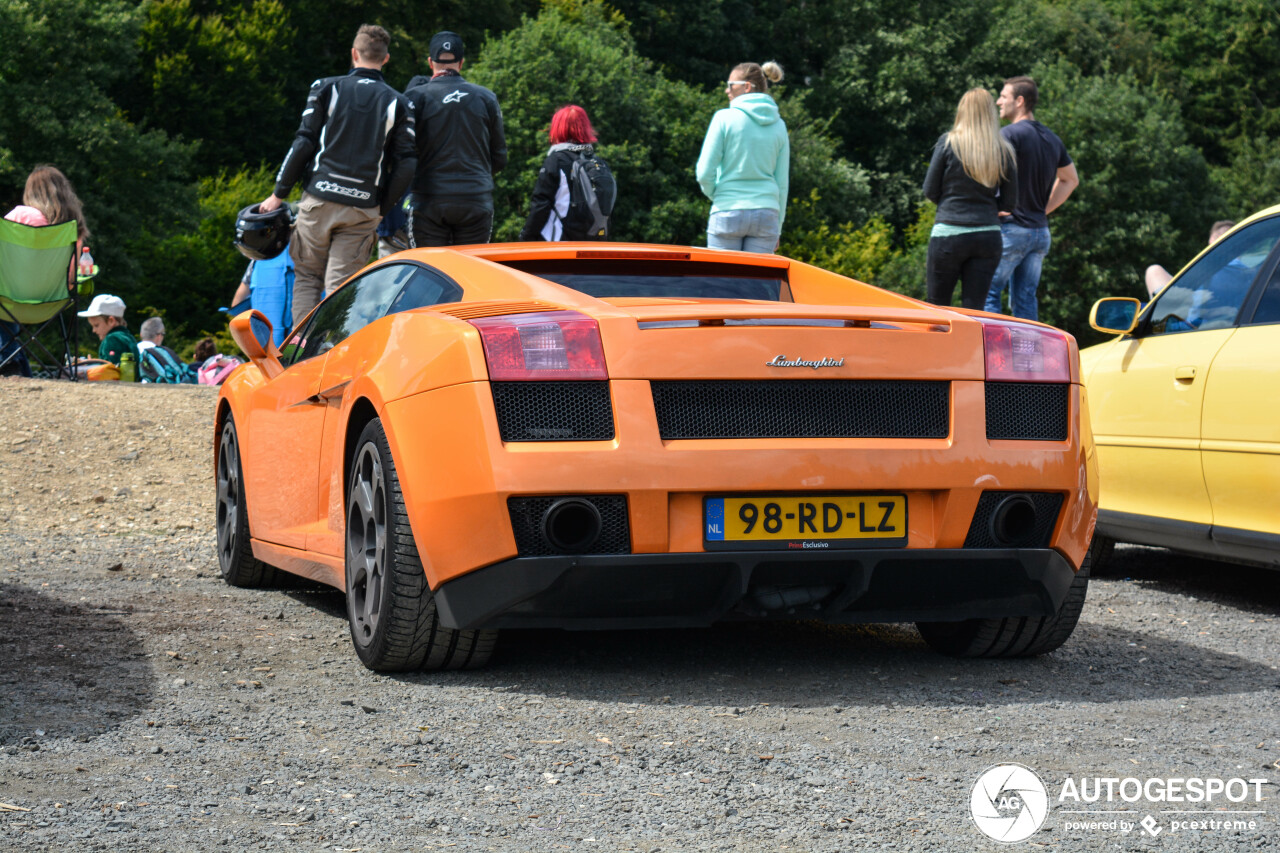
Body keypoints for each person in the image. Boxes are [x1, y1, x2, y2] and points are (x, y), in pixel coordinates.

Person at [259, 25, 416, 326]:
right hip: (362, 208)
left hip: (319, 200)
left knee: (307, 277)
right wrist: (381, 209)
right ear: (386, 59)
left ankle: (299, 358)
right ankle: (331, 359)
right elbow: (407, 164)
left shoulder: (326, 87)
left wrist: (279, 194)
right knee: (342, 291)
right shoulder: (399, 102)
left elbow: (304, 142)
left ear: (354, 54)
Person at [983, 76, 1079, 320]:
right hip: (1039, 233)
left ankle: (991, 357)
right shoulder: (1052, 139)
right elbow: (1070, 179)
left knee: (987, 293)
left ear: (1020, 101)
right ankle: (1027, 357)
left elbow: (988, 177)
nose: (998, 102)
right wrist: (1043, 210)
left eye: (1004, 96)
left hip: (1012, 230)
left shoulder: (1009, 135)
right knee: (1025, 302)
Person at [403, 32, 507, 247]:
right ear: (461, 62)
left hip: (429, 198)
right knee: (471, 272)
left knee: (429, 272)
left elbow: (402, 151)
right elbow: (499, 156)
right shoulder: (486, 97)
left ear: (430, 62)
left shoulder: (415, 98)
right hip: (476, 198)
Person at [922, 89, 1018, 309]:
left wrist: (949, 207)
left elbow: (929, 189)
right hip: (987, 236)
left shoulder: (947, 143)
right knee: (974, 311)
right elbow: (1010, 202)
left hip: (949, 232)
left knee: (937, 309)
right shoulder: (1003, 149)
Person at [2, 165, 92, 377]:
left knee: (5, 303)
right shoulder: (72, 230)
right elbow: (71, 282)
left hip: (8, 300)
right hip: (51, 303)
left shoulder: (20, 215)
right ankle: (15, 368)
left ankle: (9, 364)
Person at [695, 61, 790, 254]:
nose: (726, 91)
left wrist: (721, 195)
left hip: (727, 210)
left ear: (746, 87)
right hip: (767, 214)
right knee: (757, 283)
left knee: (722, 282)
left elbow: (704, 173)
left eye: (730, 85)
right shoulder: (779, 125)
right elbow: (782, 183)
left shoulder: (723, 118)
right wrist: (778, 227)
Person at [519, 105, 605, 241]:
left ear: (558, 128)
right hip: (593, 244)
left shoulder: (556, 160)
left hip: (560, 245)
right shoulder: (597, 162)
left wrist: (525, 238)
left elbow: (541, 205)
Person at [1145, 220, 1235, 299]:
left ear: (1214, 240)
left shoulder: (1206, 268)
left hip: (1186, 314)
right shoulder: (1247, 275)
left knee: (1153, 270)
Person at [77, 294, 139, 378]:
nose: (94, 330)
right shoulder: (128, 337)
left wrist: (87, 366)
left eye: (96, 325)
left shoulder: (112, 339)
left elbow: (109, 370)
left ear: (111, 321)